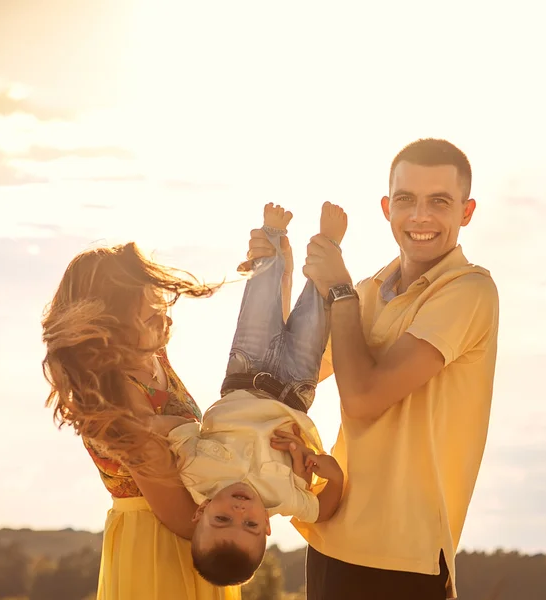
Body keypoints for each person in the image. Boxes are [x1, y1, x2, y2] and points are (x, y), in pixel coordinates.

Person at [247, 138, 500, 600]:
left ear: (466, 212)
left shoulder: (470, 291)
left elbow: (363, 400)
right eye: (406, 200)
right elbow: (286, 371)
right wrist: (276, 272)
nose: (420, 216)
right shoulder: (365, 292)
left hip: (404, 558)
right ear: (387, 207)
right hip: (332, 536)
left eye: (439, 201)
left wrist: (338, 289)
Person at [151, 202, 347, 587]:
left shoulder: (194, 474)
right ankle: (329, 244)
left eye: (222, 518)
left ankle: (271, 235)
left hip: (244, 371)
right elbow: (322, 510)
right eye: (251, 524)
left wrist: (143, 423)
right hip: (296, 388)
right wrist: (334, 477)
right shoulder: (284, 500)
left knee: (259, 300)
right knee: (315, 312)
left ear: (200, 513)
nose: (240, 510)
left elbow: (181, 428)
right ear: (267, 530)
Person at [41, 242, 241, 600]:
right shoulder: (118, 394)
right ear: (108, 326)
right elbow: (178, 515)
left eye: (162, 308)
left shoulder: (151, 356)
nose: (166, 321)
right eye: (151, 317)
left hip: (199, 528)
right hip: (161, 546)